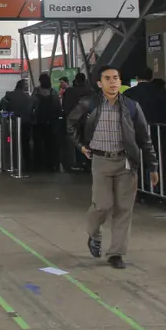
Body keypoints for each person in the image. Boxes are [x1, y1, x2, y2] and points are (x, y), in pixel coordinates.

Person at [67, 65, 159, 269]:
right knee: (101, 205)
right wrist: (81, 146)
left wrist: (152, 165)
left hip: (126, 163)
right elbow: (71, 123)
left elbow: (144, 137)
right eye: (107, 78)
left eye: (116, 78)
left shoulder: (132, 106)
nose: (113, 82)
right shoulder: (89, 104)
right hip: (101, 161)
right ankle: (94, 234)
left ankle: (116, 253)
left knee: (123, 209)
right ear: (100, 83)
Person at [61, 73, 95, 171]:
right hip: (89, 120)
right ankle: (89, 162)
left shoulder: (71, 92)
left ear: (76, 80)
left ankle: (80, 162)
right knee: (89, 140)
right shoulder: (91, 91)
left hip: (76, 120)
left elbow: (66, 106)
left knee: (77, 141)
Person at [32, 74, 63, 172]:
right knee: (50, 144)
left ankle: (39, 164)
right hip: (51, 122)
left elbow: (31, 105)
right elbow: (58, 106)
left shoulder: (36, 91)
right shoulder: (53, 92)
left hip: (38, 122)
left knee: (38, 144)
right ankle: (51, 165)